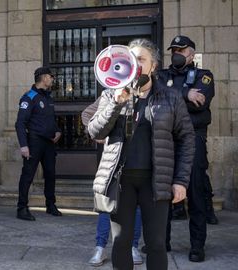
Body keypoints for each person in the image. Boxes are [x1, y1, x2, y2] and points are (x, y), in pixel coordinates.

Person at [88, 39, 195, 270]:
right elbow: (95, 130)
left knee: (156, 243)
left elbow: (187, 138)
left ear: (153, 65)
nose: (135, 64)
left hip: (156, 182)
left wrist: (180, 181)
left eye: (141, 59)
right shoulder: (111, 94)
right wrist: (116, 103)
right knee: (121, 242)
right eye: (131, 58)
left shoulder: (171, 97)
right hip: (121, 182)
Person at [158, 35, 217, 262]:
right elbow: (158, 96)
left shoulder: (204, 76)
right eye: (173, 49)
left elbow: (200, 104)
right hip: (167, 140)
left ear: (191, 53)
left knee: (195, 194)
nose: (176, 53)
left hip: (193, 140)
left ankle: (197, 246)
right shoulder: (162, 75)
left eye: (181, 50)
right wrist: (185, 94)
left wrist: (177, 99)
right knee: (163, 194)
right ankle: (162, 242)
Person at [81, 101, 143, 266]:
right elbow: (87, 115)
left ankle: (133, 246)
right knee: (106, 205)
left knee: (135, 206)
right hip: (113, 161)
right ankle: (100, 248)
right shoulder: (112, 92)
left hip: (137, 160)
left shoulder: (146, 94)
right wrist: (98, 133)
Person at [15, 66, 62, 221]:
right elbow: (20, 123)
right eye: (51, 76)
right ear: (43, 78)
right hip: (34, 142)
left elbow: (50, 120)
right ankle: (22, 208)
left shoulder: (48, 97)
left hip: (48, 143)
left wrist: (57, 131)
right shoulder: (29, 97)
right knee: (28, 175)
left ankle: (50, 205)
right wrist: (24, 145)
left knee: (50, 174)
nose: (52, 79)